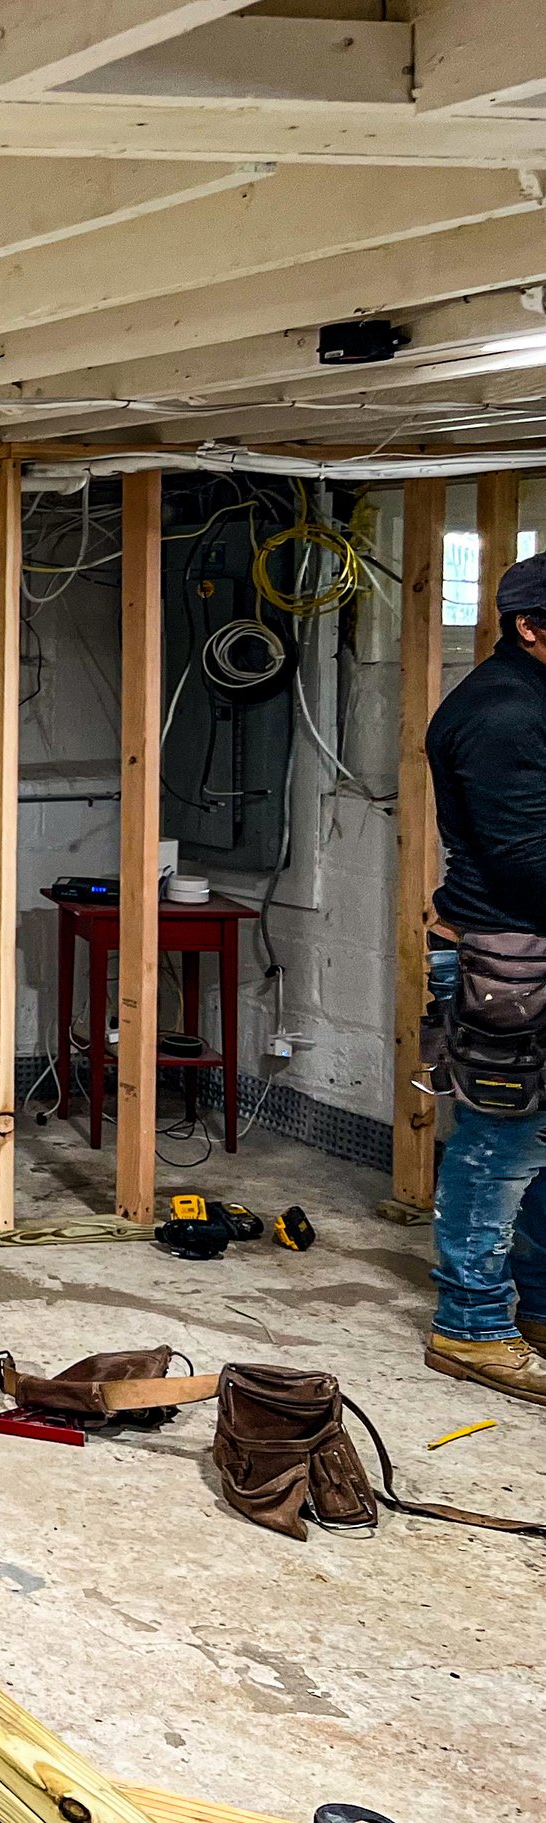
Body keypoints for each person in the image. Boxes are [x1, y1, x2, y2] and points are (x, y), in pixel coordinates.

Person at [422, 549, 546, 1403]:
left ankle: (531, 1306)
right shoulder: (504, 713)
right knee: (500, 1141)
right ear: (531, 628)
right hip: (507, 952)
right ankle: (470, 1325)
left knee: (537, 1144)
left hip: (526, 943)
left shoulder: (534, 697)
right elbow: (523, 858)